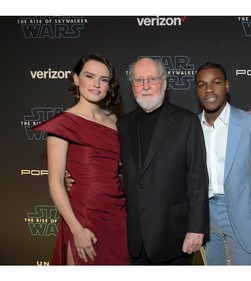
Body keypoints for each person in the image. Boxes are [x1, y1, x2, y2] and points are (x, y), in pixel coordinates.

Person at [32, 53, 129, 265]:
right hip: (84, 215)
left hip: (117, 213)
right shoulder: (62, 124)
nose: (96, 84)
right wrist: (76, 229)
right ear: (76, 79)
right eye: (89, 76)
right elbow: (55, 182)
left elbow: (120, 164)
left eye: (103, 79)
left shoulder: (114, 120)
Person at [116, 57, 209, 265]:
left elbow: (197, 178)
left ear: (165, 83)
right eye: (139, 80)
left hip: (174, 238)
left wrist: (196, 229)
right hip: (136, 238)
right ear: (132, 86)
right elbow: (113, 169)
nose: (146, 86)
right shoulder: (123, 125)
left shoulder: (186, 121)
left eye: (152, 79)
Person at [195, 62, 251, 265]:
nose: (209, 90)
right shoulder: (190, 126)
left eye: (216, 82)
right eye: (202, 85)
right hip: (205, 216)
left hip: (245, 215)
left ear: (227, 86)